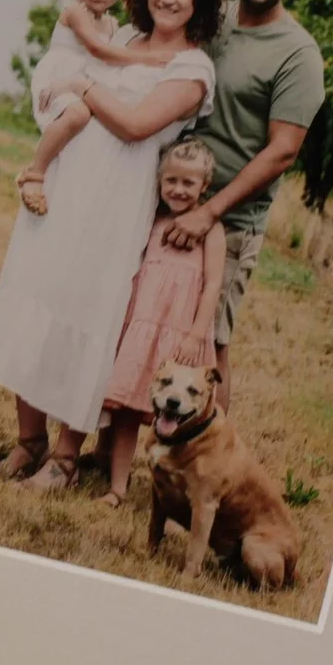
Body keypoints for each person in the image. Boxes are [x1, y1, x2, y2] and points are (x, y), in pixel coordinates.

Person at [0, 0, 222, 491]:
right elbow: (59, 85)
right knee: (38, 299)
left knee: (88, 318)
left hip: (116, 205)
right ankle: (29, 439)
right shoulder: (122, 37)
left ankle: (65, 457)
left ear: (199, 3)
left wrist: (84, 85)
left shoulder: (193, 68)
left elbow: (135, 124)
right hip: (64, 188)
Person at [163, 0, 326, 367]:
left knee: (206, 347)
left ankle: (211, 421)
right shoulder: (208, 19)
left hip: (229, 221)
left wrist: (208, 213)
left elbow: (283, 150)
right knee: (152, 324)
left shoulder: (298, 55)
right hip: (169, 200)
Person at [90, 139, 225, 508]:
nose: (178, 190)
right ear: (160, 181)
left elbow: (213, 285)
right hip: (142, 329)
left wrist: (195, 335)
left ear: (204, 186)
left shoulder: (211, 230)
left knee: (180, 417)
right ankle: (117, 488)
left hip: (180, 337)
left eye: (188, 183)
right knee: (128, 410)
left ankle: (182, 493)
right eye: (171, 181)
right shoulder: (152, 220)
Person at [15, 0, 136, 215]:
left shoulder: (112, 24)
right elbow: (98, 49)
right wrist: (149, 58)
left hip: (85, 82)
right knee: (77, 115)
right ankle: (34, 172)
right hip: (58, 80)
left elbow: (108, 62)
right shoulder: (75, 12)